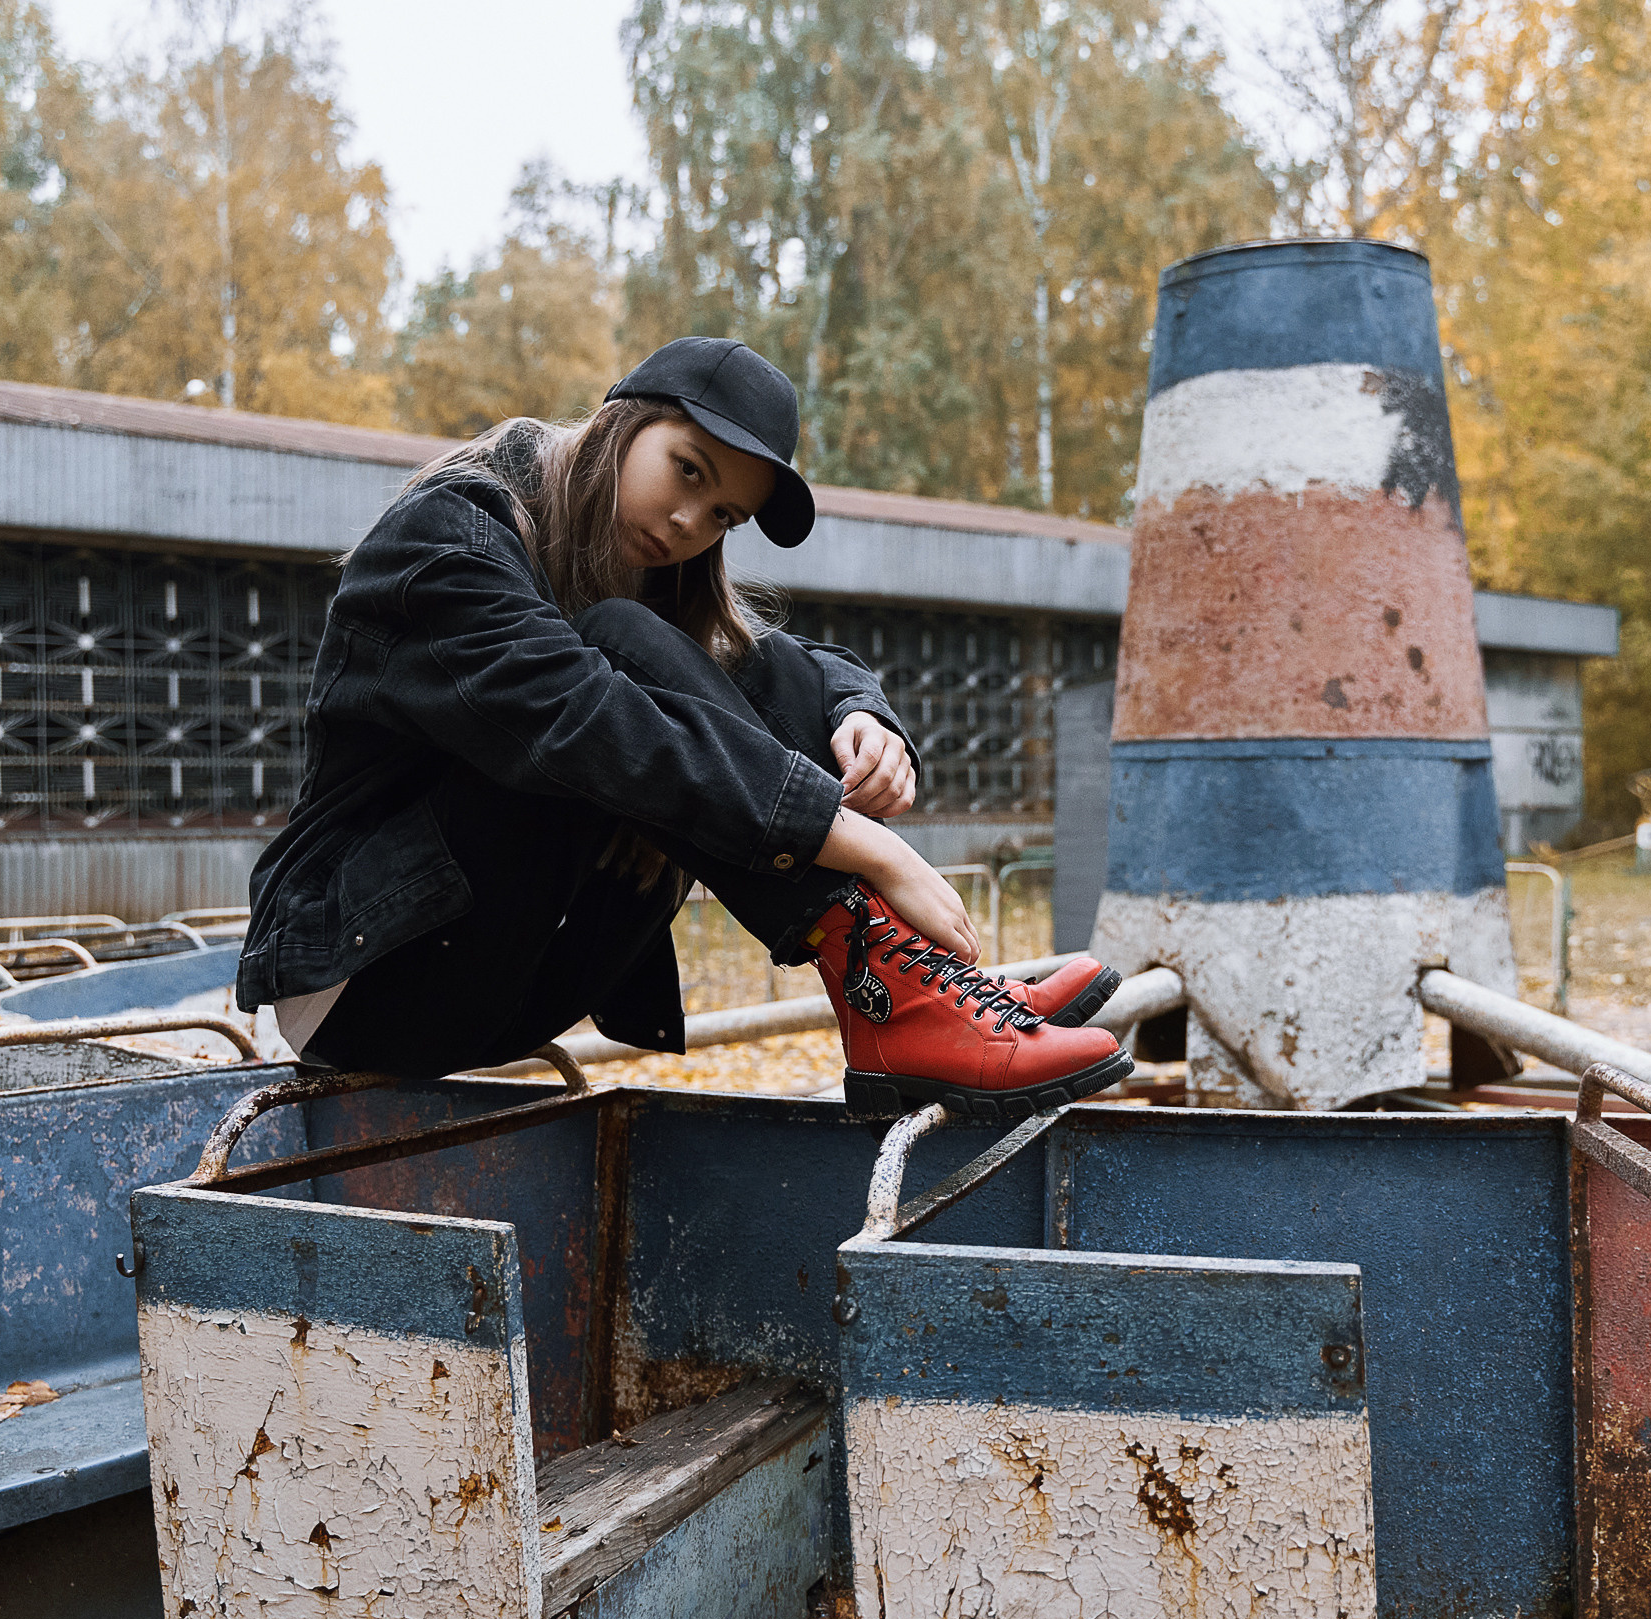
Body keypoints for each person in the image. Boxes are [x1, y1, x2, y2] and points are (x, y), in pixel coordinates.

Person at [236, 337, 1134, 1115]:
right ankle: (891, 990)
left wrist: (866, 714)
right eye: (688, 471)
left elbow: (788, 662)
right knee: (625, 655)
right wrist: (872, 848)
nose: (687, 523)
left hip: (517, 968)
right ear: (621, 421)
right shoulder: (449, 535)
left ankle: (905, 996)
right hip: (367, 974)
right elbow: (583, 716)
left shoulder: (640, 569)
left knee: (703, 662)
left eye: (722, 516)